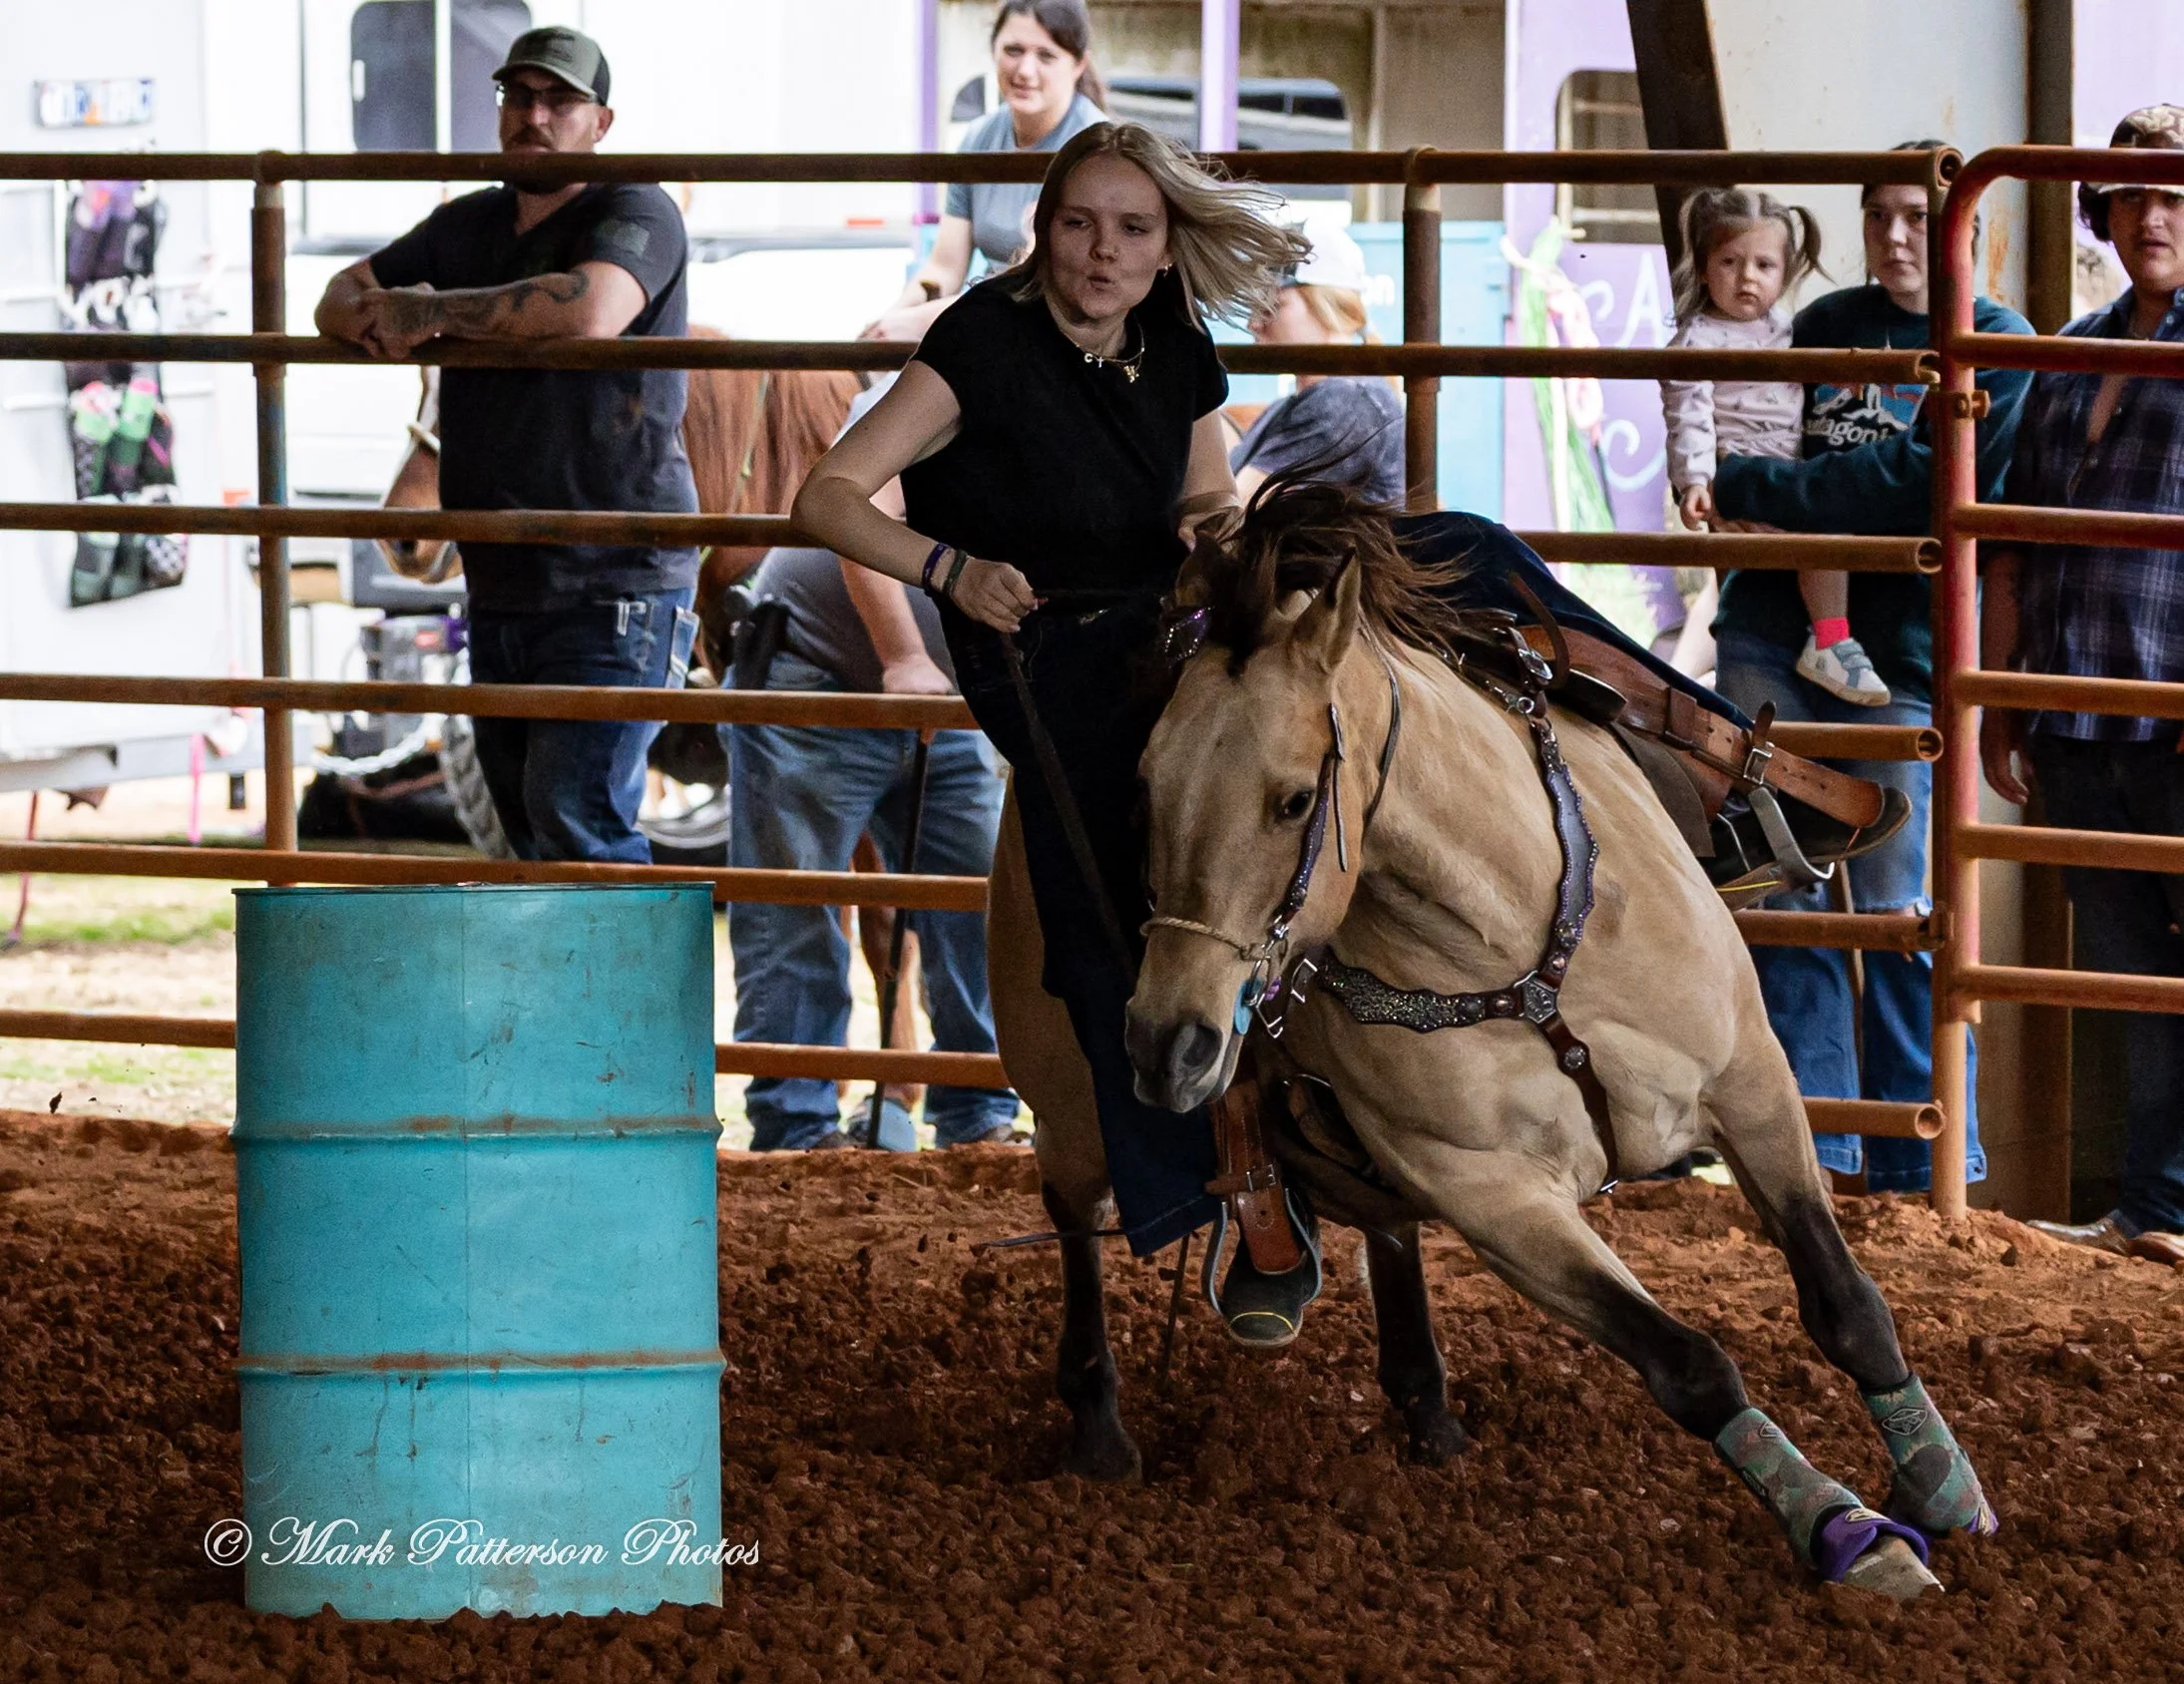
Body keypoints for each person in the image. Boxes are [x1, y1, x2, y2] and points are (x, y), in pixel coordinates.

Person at [1707, 142, 2035, 1195]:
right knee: (1781, 886)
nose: (1897, 237)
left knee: (1897, 906)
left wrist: (1751, 483)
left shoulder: (1998, 340)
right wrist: (1801, 486)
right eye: (1879, 216)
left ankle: (1916, 1156)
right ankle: (1818, 1144)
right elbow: (1808, 453)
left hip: (1895, 651)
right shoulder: (1822, 325)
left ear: (1965, 232)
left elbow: (1911, 483)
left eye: (1917, 218)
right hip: (1771, 625)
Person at [314, 26, 700, 862]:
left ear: (600, 122)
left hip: (614, 576)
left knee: (576, 823)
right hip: (502, 577)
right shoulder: (468, 225)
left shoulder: (636, 208)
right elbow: (338, 299)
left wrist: (435, 313)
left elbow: (590, 310)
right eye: (517, 97)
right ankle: (574, 995)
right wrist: (379, 312)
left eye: (559, 99)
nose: (534, 115)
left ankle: (621, 997)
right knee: (528, 830)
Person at [1980, 105, 2184, 1266]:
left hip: (2166, 708)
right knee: (2124, 964)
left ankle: (2162, 1200)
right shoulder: (2066, 353)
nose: (2150, 215)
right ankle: (2154, 1206)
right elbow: (2008, 539)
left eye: (2169, 195)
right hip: (2070, 706)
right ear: (2097, 212)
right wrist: (2000, 695)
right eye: (2128, 195)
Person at [724, 529, 1020, 1153]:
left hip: (957, 695)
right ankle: (795, 1125)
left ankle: (978, 1105)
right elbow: (852, 518)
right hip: (813, 674)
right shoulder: (924, 425)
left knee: (979, 900)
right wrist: (905, 654)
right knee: (793, 904)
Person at [1659, 189, 1883, 703]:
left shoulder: (1786, 330)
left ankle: (1823, 641)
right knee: (1822, 533)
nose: (1747, 277)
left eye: (1764, 264)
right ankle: (1830, 640)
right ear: (1704, 266)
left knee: (1823, 527)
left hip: (1787, 467)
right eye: (1730, 262)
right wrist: (1695, 480)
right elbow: (1687, 415)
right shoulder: (1698, 342)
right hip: (1737, 472)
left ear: (1785, 271)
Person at [866, 0, 1105, 343]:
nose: (1025, 69)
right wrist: (889, 321)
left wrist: (917, 323)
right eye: (1013, 50)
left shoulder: (1094, 150)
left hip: (1057, 337)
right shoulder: (979, 138)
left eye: (1046, 56)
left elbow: (1028, 284)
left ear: (1078, 64)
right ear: (993, 49)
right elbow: (944, 268)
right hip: (984, 322)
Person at [1228, 225, 1404, 506]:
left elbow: (1229, 515)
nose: (1254, 324)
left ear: (1326, 304)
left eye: (1272, 304)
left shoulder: (1347, 401)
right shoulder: (1288, 409)